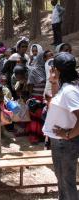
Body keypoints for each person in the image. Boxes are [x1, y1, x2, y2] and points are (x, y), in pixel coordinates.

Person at [42, 52, 79, 200]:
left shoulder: (70, 91)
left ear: (57, 69)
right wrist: (53, 82)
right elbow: (55, 101)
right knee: (61, 178)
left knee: (66, 180)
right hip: (60, 141)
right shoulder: (68, 86)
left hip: (66, 143)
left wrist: (68, 134)